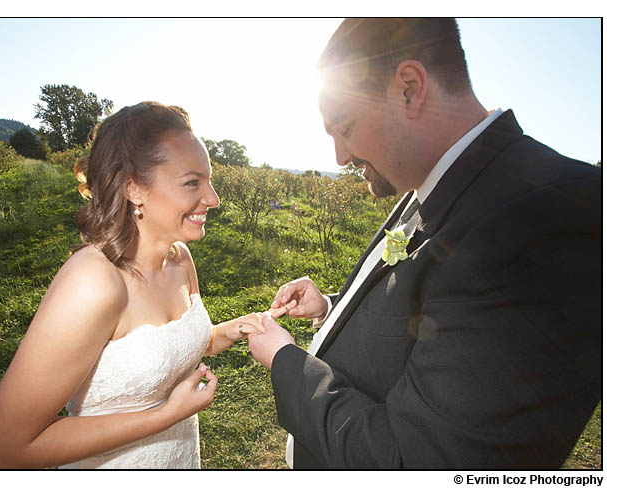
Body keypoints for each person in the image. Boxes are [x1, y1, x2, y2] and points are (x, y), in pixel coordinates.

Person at [248, 18, 601, 469]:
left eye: (346, 127)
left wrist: (284, 360)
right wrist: (332, 307)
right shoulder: (433, 181)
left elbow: (415, 463)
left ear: (410, 89)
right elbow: (441, 312)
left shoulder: (549, 216)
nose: (340, 157)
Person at [0, 101, 267, 469]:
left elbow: (184, 344)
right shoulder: (92, 284)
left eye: (209, 180)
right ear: (133, 188)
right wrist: (164, 416)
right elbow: (3, 452)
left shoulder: (179, 259)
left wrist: (240, 327)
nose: (213, 199)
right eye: (192, 182)